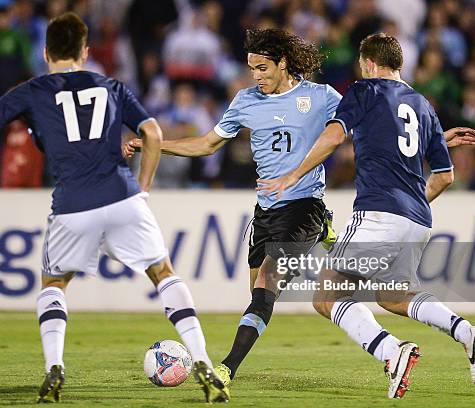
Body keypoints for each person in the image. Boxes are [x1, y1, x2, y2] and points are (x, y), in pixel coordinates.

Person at [0, 12, 229, 404]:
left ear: (45, 52)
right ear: (85, 51)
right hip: (123, 196)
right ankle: (202, 359)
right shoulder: (111, 85)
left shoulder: (29, 91)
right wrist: (142, 189)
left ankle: (55, 366)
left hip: (73, 203)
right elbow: (152, 132)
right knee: (163, 273)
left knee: (54, 285)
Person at [257, 33, 475, 399]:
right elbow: (445, 176)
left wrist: (292, 174)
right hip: (418, 219)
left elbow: (335, 137)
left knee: (326, 295)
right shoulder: (422, 105)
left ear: (368, 63)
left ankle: (391, 351)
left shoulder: (363, 91)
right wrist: (417, 192)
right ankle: (467, 333)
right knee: (392, 296)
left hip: (378, 211)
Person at [126, 28, 341, 384]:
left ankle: (226, 368)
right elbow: (208, 144)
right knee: (259, 292)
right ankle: (323, 230)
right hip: (266, 211)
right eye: (251, 69)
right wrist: (156, 144)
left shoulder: (321, 97)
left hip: (304, 204)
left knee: (267, 284)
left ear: (283, 63)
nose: (256, 76)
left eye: (262, 68)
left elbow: (361, 129)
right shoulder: (246, 100)